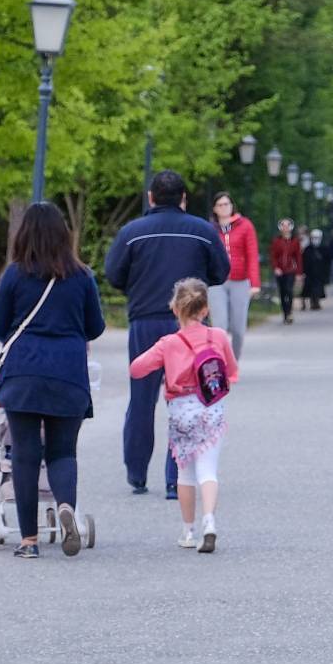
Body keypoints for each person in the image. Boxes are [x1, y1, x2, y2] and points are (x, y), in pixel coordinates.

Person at [0, 201, 106, 558]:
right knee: (61, 451)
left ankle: (28, 541)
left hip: (23, 373)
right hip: (68, 374)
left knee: (25, 454)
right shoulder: (82, 276)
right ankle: (66, 506)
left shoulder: (14, 274)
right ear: (63, 235)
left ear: (24, 233)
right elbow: (95, 327)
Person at [106, 170, 230, 499]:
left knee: (141, 399)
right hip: (189, 326)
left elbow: (113, 274)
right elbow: (221, 271)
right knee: (187, 396)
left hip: (145, 320)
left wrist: (138, 284)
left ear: (151, 198)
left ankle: (136, 472)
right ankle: (177, 476)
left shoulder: (132, 233)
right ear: (184, 199)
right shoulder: (202, 231)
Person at [129, 278, 239, 553]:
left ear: (175, 309)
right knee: (208, 470)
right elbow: (232, 371)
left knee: (185, 474)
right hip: (210, 408)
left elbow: (137, 368)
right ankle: (210, 521)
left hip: (181, 411)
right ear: (205, 310)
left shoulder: (169, 343)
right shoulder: (219, 337)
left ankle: (188, 531)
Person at [208, 193, 261, 358]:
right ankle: (221, 364)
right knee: (219, 326)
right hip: (217, 282)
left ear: (232, 206)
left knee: (238, 328)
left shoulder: (245, 226)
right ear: (215, 209)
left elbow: (252, 255)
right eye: (220, 205)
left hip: (240, 280)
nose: (224, 208)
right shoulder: (210, 228)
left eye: (227, 204)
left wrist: (255, 284)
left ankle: (234, 362)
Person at [270, 218, 302, 324]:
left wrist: (298, 272)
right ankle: (285, 313)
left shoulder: (295, 241)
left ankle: (290, 312)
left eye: (287, 225)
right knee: (283, 292)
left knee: (289, 290)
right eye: (283, 225)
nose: (285, 227)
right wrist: (276, 268)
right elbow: (273, 256)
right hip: (280, 270)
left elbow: (298, 257)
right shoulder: (276, 241)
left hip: (290, 270)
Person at [301, 228, 330, 310]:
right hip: (309, 273)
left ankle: (316, 302)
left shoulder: (324, 248)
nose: (315, 240)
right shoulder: (308, 249)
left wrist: (326, 273)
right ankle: (309, 302)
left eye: (317, 238)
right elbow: (304, 261)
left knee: (318, 289)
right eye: (313, 238)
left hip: (320, 272)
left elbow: (327, 261)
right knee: (308, 289)